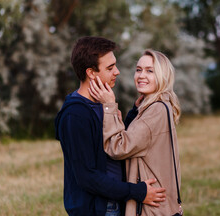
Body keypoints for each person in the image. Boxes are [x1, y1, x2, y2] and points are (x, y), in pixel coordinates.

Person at [54, 37, 166, 216]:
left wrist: (132, 114)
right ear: (91, 72)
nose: (117, 72)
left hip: (115, 204)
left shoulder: (101, 103)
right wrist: (137, 192)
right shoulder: (75, 115)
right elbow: (87, 177)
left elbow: (113, 147)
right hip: (98, 209)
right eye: (110, 67)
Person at [89, 49, 182, 216]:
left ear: (163, 76)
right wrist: (132, 113)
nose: (141, 75)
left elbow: (118, 148)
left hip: (150, 208)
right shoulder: (160, 105)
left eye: (150, 71)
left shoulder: (155, 111)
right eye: (138, 69)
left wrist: (109, 106)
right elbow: (138, 142)